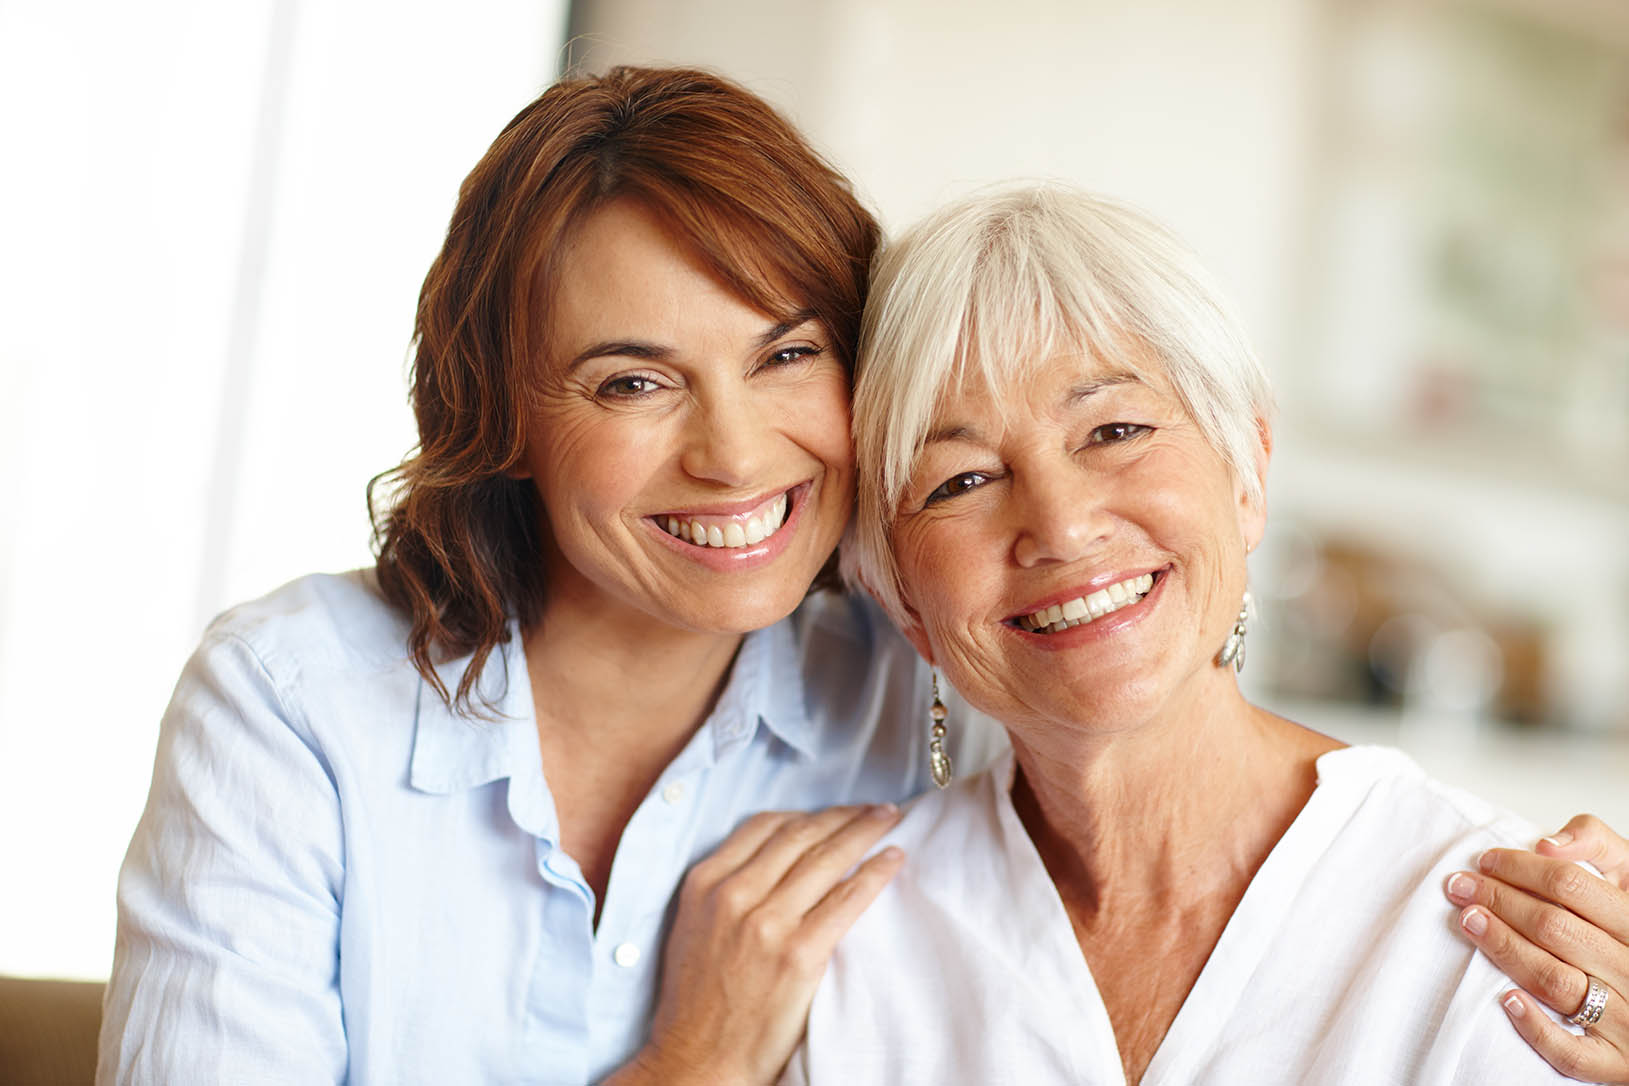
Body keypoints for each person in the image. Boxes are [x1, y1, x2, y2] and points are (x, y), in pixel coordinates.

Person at [96, 67, 1626, 1085]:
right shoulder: (298, 707)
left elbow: (1126, 670)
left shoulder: (900, 694)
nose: (733, 449)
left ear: (1249, 457)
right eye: (633, 382)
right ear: (501, 412)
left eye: (787, 354)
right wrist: (689, 1063)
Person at [786, 183, 1629, 1084]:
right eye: (959, 481)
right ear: (903, 600)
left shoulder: (1505, 940)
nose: (1063, 527)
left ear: (1245, 478)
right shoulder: (838, 945)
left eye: (1113, 429)